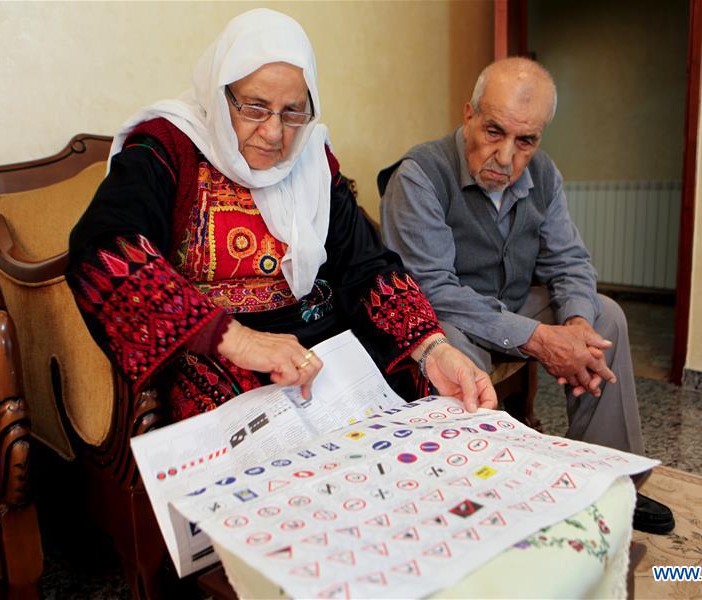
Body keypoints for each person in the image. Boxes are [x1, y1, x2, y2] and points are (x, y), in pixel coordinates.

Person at [67, 9, 496, 425]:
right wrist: (236, 340)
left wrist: (432, 348)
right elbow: (104, 249)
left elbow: (364, 265)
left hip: (320, 341)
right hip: (218, 349)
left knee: (428, 400)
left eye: (293, 112)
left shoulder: (312, 158)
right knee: (254, 434)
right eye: (254, 108)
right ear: (221, 95)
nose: (274, 133)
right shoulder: (167, 146)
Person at [377, 57, 674, 535]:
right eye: (494, 131)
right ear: (468, 113)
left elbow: (570, 261)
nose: (507, 157)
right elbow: (431, 289)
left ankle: (611, 482)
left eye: (526, 141)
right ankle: (473, 492)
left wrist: (576, 325)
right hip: (452, 316)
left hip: (512, 305)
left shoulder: (545, 176)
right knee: (451, 347)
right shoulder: (419, 176)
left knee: (606, 318)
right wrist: (537, 338)